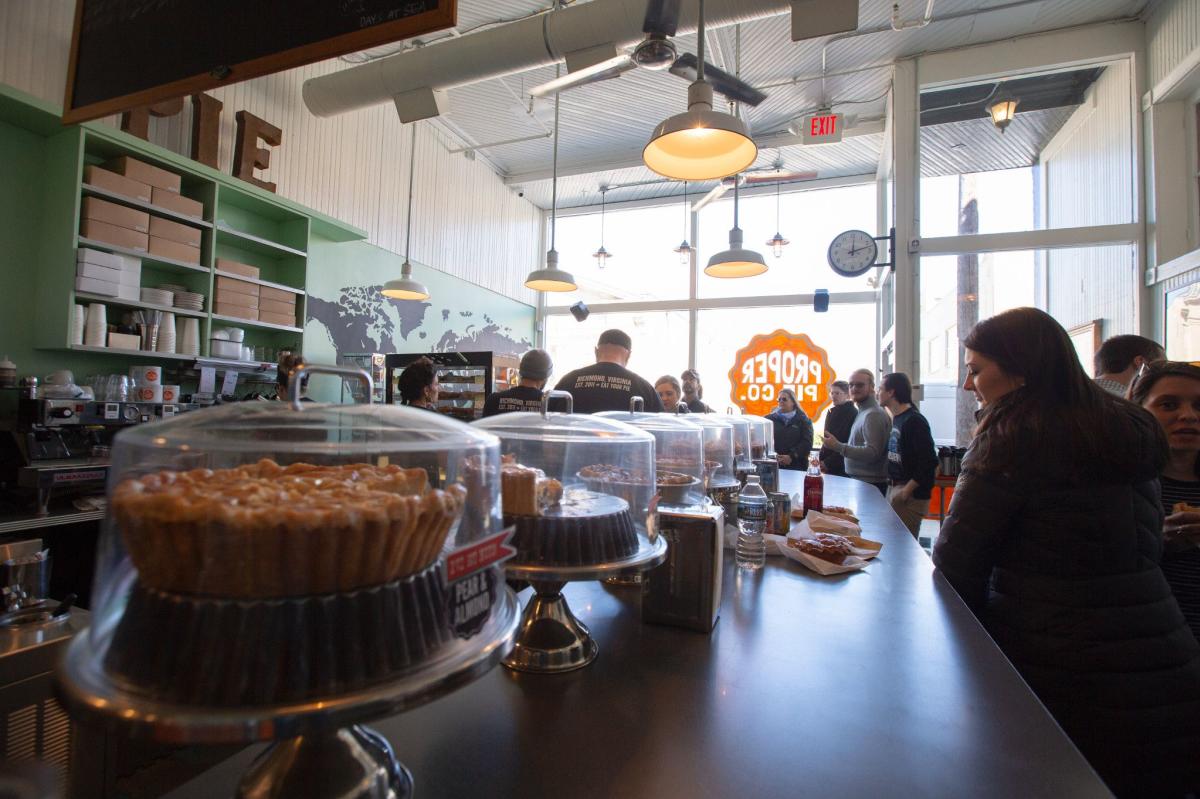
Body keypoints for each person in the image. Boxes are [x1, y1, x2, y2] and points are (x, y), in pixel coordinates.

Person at [932, 307, 1200, 798]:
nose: (969, 385)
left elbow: (955, 566)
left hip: (1059, 670)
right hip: (1163, 663)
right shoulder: (1125, 426)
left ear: (1020, 368)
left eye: (975, 369)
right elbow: (1139, 543)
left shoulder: (1011, 437)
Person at [1130, 360, 1200, 641]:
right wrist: (1160, 541)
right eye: (1169, 405)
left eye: (1199, 406)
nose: (1189, 416)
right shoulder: (1122, 487)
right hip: (1154, 645)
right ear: (1139, 412)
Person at [878, 372, 937, 537]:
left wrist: (905, 491)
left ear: (891, 392)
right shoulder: (897, 418)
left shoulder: (914, 421)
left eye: (881, 389)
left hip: (909, 495)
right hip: (894, 487)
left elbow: (929, 461)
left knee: (902, 546)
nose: (878, 392)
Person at [554, 329, 664, 414]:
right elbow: (660, 430)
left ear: (596, 351)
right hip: (625, 444)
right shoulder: (644, 389)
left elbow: (547, 420)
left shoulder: (568, 381)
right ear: (629, 355)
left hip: (575, 443)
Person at [821, 370, 890, 494]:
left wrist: (838, 447)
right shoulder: (863, 412)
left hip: (869, 484)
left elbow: (873, 453)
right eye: (851, 385)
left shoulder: (872, 414)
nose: (854, 388)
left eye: (860, 385)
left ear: (872, 388)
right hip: (860, 481)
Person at [482, 349, 552, 417]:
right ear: (545, 377)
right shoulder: (549, 404)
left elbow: (480, 428)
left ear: (521, 370)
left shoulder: (494, 400)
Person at [1093, 333, 1165, 396]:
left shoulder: (1083, 393)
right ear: (1140, 362)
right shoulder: (1130, 404)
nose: (1164, 374)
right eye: (1160, 366)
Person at [765, 388, 814, 470]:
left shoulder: (804, 420)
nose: (781, 401)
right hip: (774, 465)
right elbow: (764, 440)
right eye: (779, 399)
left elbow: (807, 443)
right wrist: (774, 455)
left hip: (797, 466)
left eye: (784, 399)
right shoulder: (768, 419)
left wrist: (791, 456)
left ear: (793, 402)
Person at [819, 380, 855, 476]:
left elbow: (847, 441)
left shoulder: (852, 413)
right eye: (832, 393)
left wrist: (828, 463)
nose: (833, 396)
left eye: (837, 393)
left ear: (848, 395)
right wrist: (820, 460)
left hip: (842, 465)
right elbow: (827, 440)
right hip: (826, 462)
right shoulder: (831, 411)